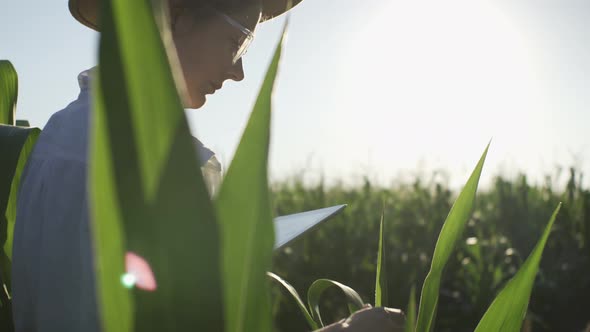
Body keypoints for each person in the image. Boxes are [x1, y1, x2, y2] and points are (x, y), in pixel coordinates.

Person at [11, 0, 405, 331]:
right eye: (239, 41)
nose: (238, 71)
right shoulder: (108, 154)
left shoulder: (86, 137)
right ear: (175, 18)